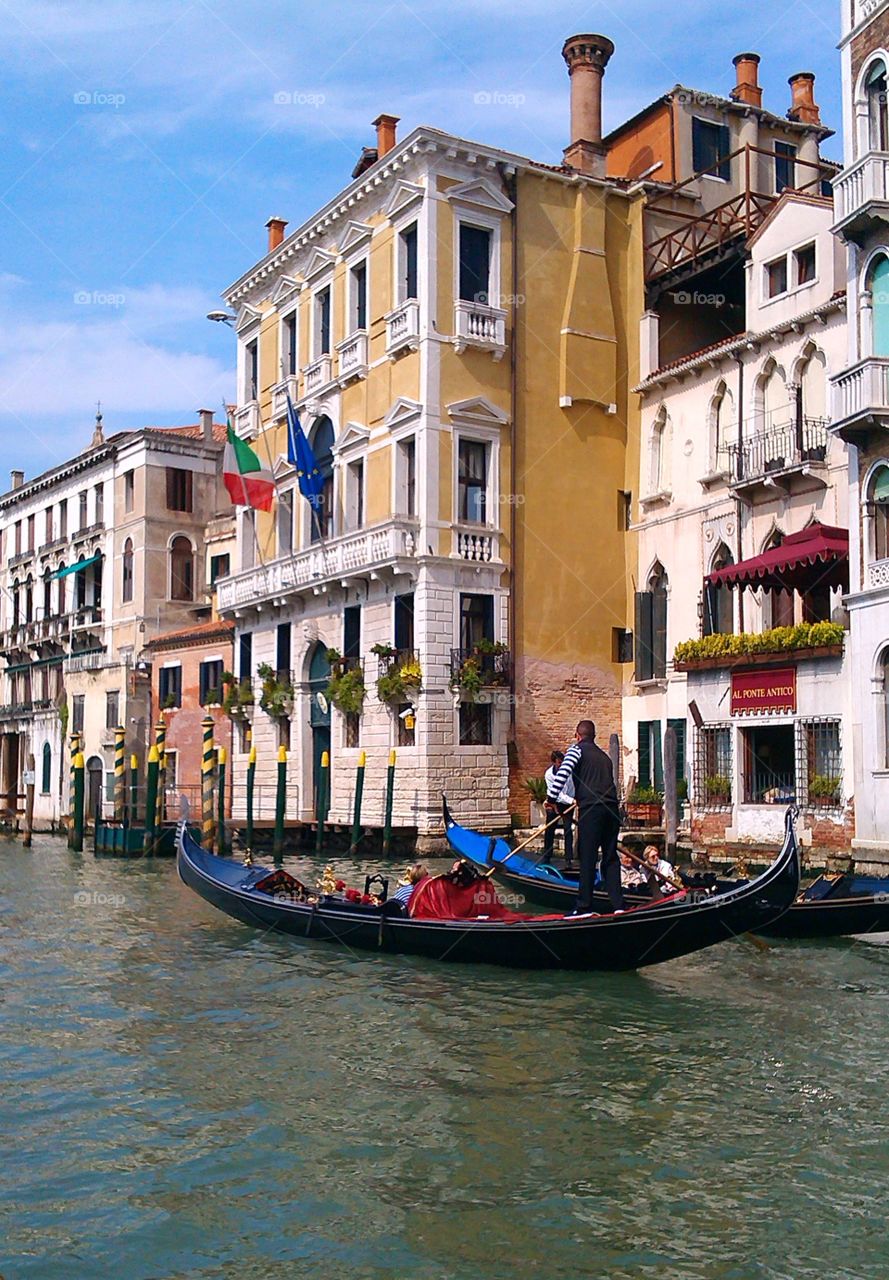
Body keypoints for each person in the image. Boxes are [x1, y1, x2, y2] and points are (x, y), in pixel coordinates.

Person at [546, 719, 624, 913]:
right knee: (610, 857)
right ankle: (619, 906)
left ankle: (584, 906)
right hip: (612, 809)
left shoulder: (576, 750)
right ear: (594, 736)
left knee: (587, 858)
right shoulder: (604, 757)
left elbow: (562, 773)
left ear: (577, 736)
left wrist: (551, 799)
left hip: (592, 810)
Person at [543, 750, 575, 866]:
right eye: (559, 763)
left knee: (568, 829)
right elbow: (557, 793)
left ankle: (568, 860)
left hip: (568, 804)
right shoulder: (549, 775)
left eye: (563, 762)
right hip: (554, 802)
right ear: (554, 763)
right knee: (550, 829)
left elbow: (574, 786)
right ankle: (546, 857)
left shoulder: (570, 771)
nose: (562, 765)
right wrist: (572, 800)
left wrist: (573, 799)